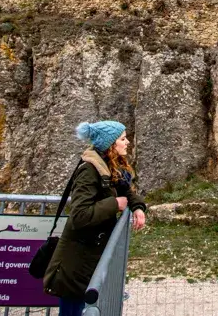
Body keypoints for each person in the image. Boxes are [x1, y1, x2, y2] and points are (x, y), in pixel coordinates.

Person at [44, 120, 147, 316]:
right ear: (110, 144)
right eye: (123, 139)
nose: (127, 143)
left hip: (90, 255)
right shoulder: (89, 170)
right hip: (77, 261)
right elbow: (79, 216)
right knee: (75, 310)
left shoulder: (108, 166)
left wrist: (138, 207)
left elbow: (126, 190)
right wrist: (115, 204)